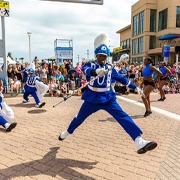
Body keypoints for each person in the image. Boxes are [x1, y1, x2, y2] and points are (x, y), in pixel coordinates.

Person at [58, 33, 157, 154]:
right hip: (92, 99)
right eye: (100, 56)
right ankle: (67, 131)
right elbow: (85, 70)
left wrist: (135, 87)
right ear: (96, 55)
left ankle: (139, 141)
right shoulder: (90, 64)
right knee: (79, 118)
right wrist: (95, 71)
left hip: (108, 98)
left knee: (122, 116)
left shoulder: (110, 68)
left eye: (104, 56)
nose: (102, 58)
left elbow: (122, 79)